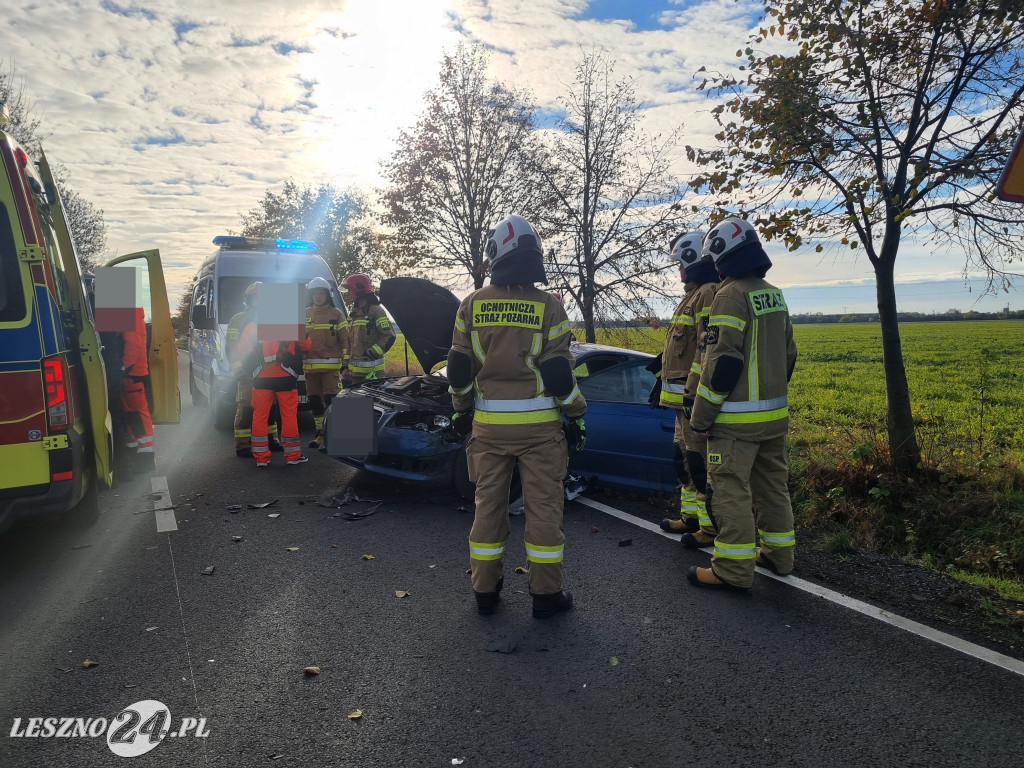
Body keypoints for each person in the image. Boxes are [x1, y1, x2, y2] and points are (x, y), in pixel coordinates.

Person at [448, 214, 586, 619]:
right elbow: (560, 374)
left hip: (489, 430)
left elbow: (458, 368)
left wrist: (461, 410)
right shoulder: (549, 306)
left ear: (496, 253)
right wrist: (577, 415)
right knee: (544, 510)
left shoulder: (471, 304)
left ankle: (485, 592)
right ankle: (546, 596)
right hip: (541, 432)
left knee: (487, 508)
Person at [686, 217, 798, 590]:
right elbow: (790, 355)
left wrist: (700, 420)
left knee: (731, 491)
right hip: (774, 417)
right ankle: (779, 556)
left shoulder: (729, 295)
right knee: (772, 487)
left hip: (734, 424)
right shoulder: (774, 294)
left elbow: (721, 366)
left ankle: (731, 571)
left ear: (720, 255)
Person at [648, 230, 720, 543]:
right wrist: (659, 376)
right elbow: (680, 346)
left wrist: (695, 393)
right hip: (679, 398)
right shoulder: (690, 295)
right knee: (683, 459)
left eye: (680, 264)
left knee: (698, 461)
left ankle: (710, 527)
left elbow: (707, 350)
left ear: (692, 260)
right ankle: (689, 517)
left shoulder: (707, 293)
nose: (678, 271)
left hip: (692, 397)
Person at [237, 308, 312, 467]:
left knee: (259, 415)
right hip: (286, 376)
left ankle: (261, 458)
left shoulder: (252, 326)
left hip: (261, 376)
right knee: (289, 416)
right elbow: (306, 346)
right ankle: (292, 456)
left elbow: (243, 350)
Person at [82, 273, 130, 482]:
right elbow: (123, 339)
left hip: (93, 370)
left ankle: (103, 469)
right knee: (114, 419)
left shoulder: (83, 305)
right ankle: (122, 469)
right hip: (112, 369)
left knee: (94, 420)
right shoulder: (111, 300)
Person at [227, 283, 283, 457]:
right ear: (249, 300)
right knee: (246, 408)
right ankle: (242, 444)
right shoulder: (238, 319)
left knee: (270, 408)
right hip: (247, 371)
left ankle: (271, 439)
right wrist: (239, 371)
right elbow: (232, 348)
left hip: (267, 371)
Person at [303, 277, 348, 450]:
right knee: (314, 401)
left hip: (330, 368)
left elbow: (346, 341)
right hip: (309, 368)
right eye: (315, 293)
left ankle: (335, 435)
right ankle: (320, 434)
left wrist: (345, 364)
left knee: (332, 400)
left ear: (327, 295)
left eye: (321, 293)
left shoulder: (336, 313)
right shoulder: (304, 313)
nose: (318, 296)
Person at [121, 305, 156, 473]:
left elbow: (133, 343)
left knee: (138, 412)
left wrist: (124, 368)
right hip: (133, 371)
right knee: (130, 413)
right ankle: (136, 452)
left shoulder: (129, 310)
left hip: (133, 372)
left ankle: (145, 457)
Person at [343, 273, 395, 385]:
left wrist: (373, 352)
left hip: (373, 375)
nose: (348, 294)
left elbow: (389, 336)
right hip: (354, 375)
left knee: (370, 403)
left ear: (359, 290)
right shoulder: (353, 314)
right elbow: (348, 342)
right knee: (350, 403)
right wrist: (345, 366)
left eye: (350, 290)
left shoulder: (376, 311)